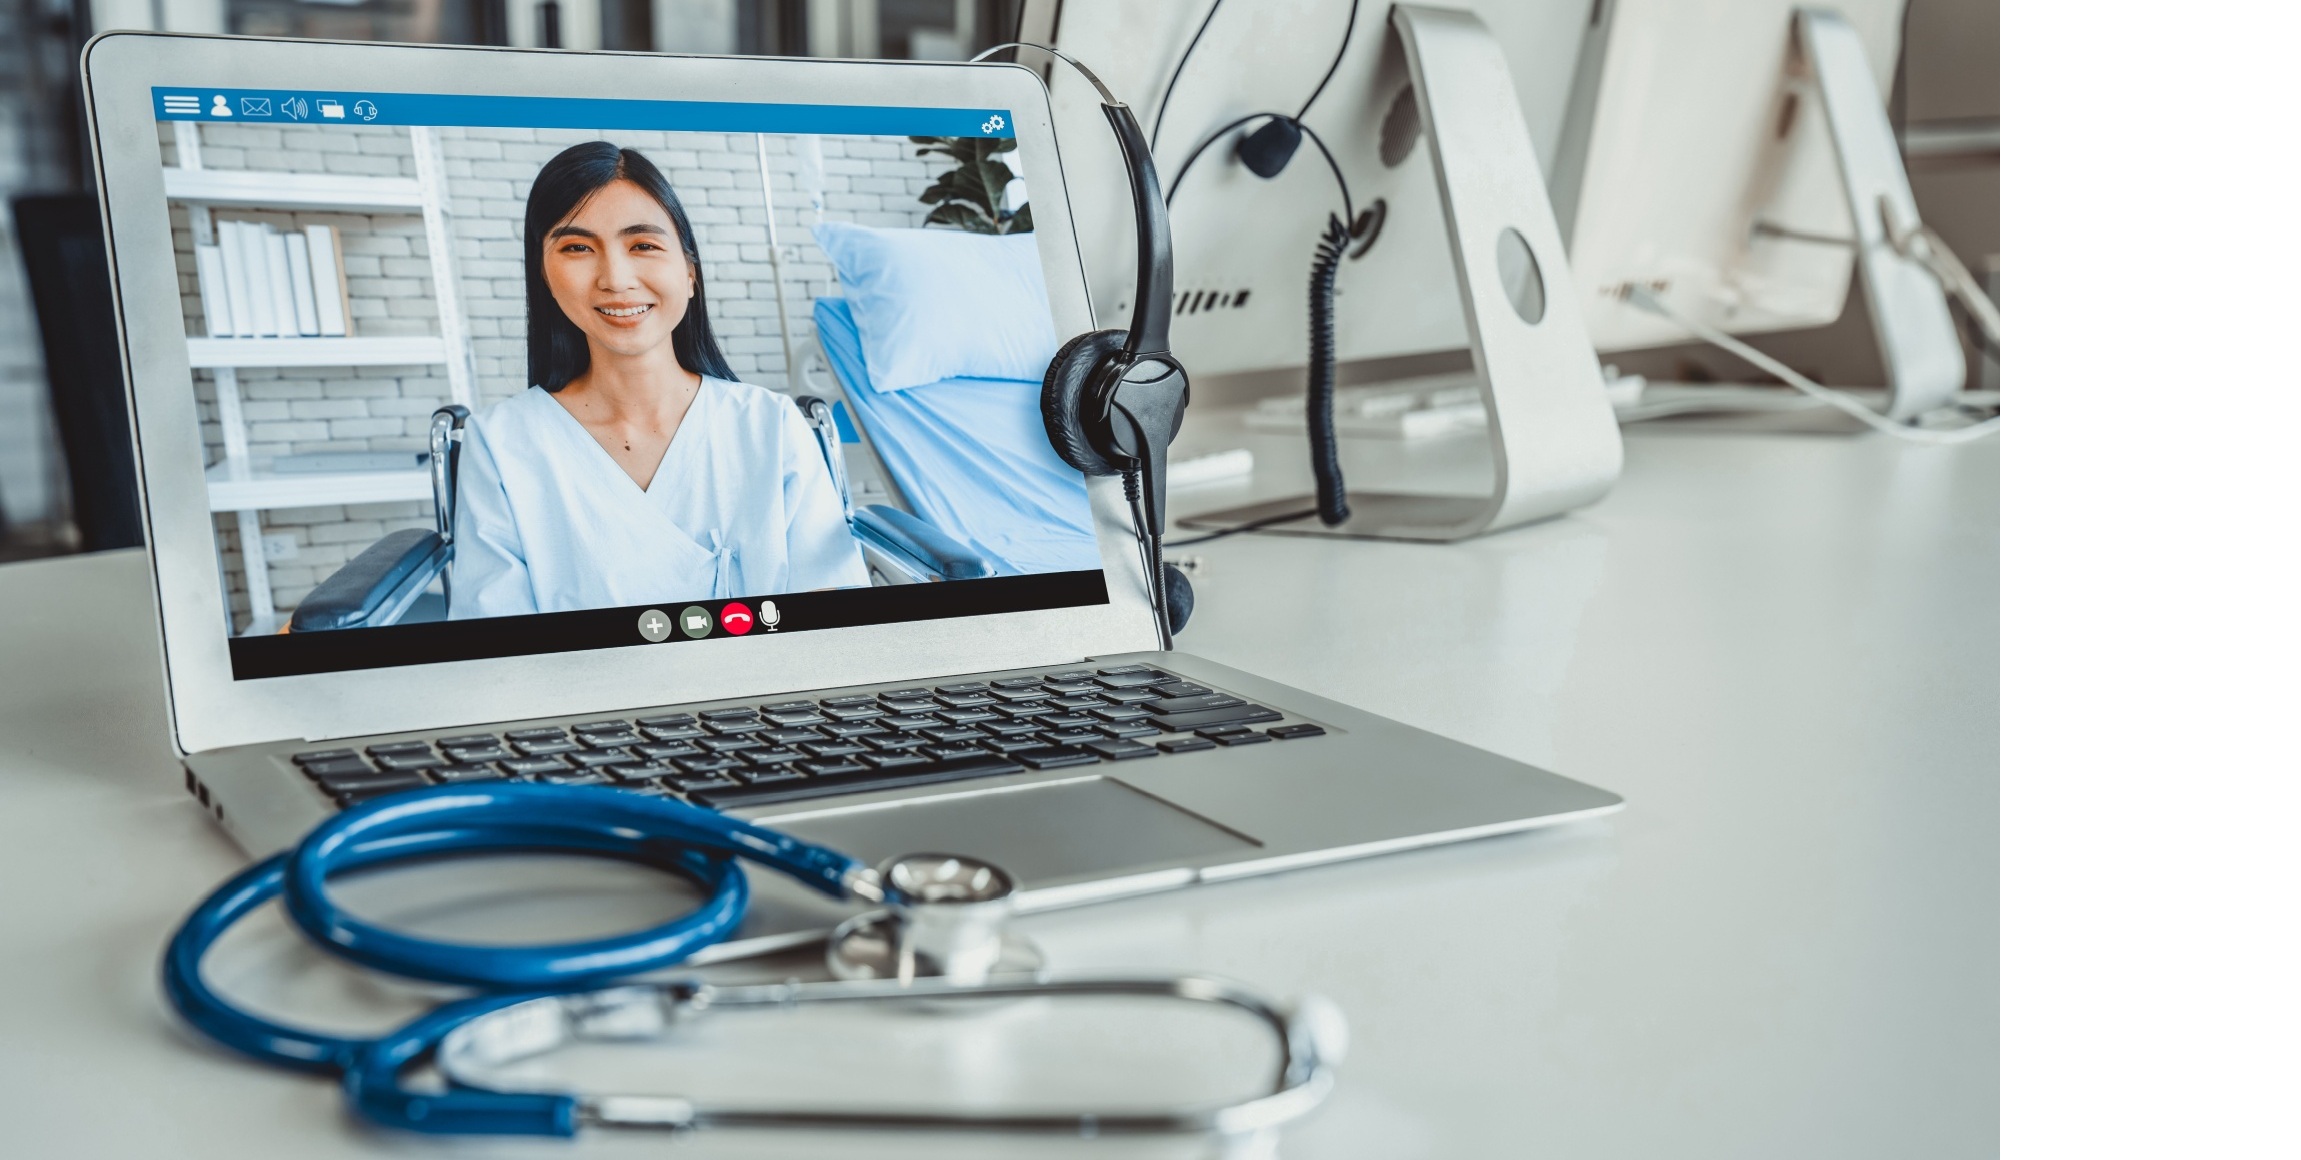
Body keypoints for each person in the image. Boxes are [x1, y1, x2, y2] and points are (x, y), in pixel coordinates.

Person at [450, 142, 866, 619]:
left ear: (690, 273)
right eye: (578, 248)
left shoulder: (770, 425)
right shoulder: (502, 444)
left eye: (643, 245)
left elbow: (834, 609)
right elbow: (494, 641)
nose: (616, 278)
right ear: (544, 276)